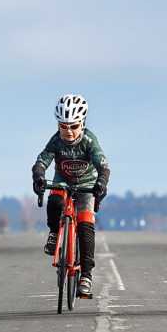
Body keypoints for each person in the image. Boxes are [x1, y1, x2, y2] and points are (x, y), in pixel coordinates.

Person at [32, 94, 110, 298]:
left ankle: (86, 275)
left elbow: (103, 166)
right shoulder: (56, 140)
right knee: (55, 200)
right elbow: (42, 160)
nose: (68, 131)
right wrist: (39, 175)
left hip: (87, 185)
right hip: (63, 181)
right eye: (63, 126)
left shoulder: (89, 141)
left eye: (73, 126)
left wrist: (101, 182)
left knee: (85, 225)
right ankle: (54, 232)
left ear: (82, 123)